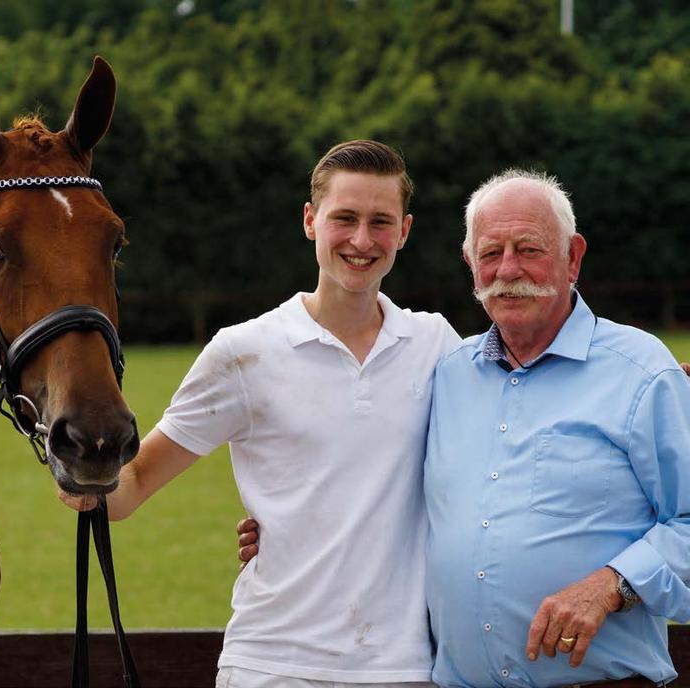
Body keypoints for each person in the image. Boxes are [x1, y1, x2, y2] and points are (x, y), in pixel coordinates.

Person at [62, 140, 460, 687]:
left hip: (405, 668)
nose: (362, 240)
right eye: (344, 218)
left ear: (405, 231)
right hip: (272, 666)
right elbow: (132, 486)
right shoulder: (243, 352)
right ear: (310, 221)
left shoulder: (437, 344)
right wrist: (84, 472)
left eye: (380, 222)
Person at [422, 170, 690, 687]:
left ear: (573, 257)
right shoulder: (447, 376)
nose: (508, 269)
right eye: (490, 252)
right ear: (469, 265)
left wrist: (615, 583)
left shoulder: (641, 372)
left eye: (529, 249)